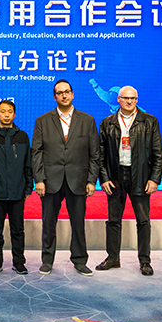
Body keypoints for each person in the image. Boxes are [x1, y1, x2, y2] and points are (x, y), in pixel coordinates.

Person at [31, 79, 100, 276]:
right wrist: (39, 179)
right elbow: (36, 152)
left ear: (72, 94)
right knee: (48, 223)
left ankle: (79, 260)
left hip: (78, 180)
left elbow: (94, 153)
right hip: (50, 181)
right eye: (60, 93)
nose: (64, 95)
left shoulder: (87, 120)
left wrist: (91, 180)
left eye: (67, 91)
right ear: (55, 97)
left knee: (78, 224)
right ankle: (47, 260)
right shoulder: (43, 120)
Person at [96, 86, 162, 276]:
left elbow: (158, 153)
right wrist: (104, 178)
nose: (129, 101)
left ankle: (145, 261)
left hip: (140, 176)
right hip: (115, 177)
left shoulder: (149, 121)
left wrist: (154, 179)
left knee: (143, 220)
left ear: (137, 100)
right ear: (118, 99)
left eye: (133, 98)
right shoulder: (107, 122)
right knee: (113, 220)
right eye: (126, 98)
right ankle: (113, 258)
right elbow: (101, 154)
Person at [0, 99, 32, 275]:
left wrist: (28, 187)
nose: (6, 114)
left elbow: (28, 164)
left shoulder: (23, 136)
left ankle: (19, 262)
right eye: (3, 111)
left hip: (18, 192)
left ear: (14, 114)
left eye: (10, 111)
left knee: (18, 230)